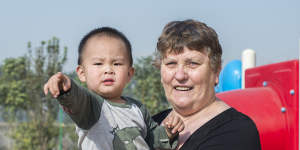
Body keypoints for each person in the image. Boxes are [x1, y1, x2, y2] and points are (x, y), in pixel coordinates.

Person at [43, 27, 184, 150]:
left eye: (117, 64)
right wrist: (68, 89)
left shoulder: (137, 108)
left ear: (129, 73)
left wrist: (167, 133)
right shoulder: (91, 106)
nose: (108, 70)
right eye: (98, 63)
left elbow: (152, 139)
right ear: (82, 73)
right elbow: (78, 100)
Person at [152, 19, 261, 150]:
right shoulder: (151, 123)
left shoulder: (236, 132)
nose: (180, 75)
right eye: (171, 63)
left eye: (192, 63)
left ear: (216, 71)